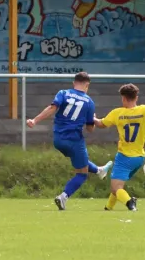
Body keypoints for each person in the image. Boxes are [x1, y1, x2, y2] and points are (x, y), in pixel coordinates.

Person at [26, 72, 113, 210]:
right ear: (87, 85)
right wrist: (94, 119)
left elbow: (52, 108)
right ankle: (63, 197)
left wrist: (35, 120)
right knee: (82, 174)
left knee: (81, 162)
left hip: (58, 140)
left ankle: (99, 170)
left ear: (74, 83)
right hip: (74, 140)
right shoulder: (89, 102)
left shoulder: (63, 93)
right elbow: (90, 129)